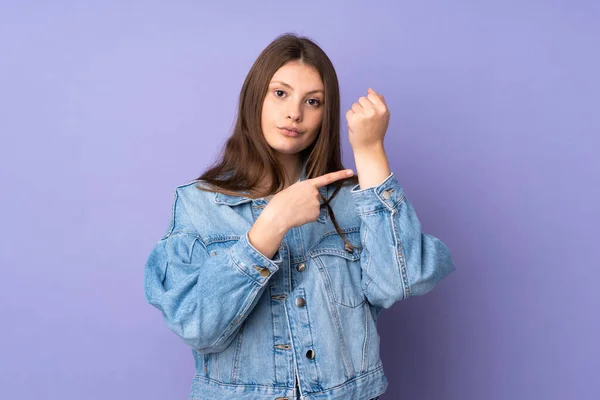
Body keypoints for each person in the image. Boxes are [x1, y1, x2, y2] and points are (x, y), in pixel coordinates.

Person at [144, 32, 456, 400]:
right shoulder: (199, 204)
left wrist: (371, 152)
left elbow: (401, 282)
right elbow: (197, 327)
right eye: (281, 93)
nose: (295, 113)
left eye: (313, 101)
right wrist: (270, 226)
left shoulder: (352, 201)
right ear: (254, 97)